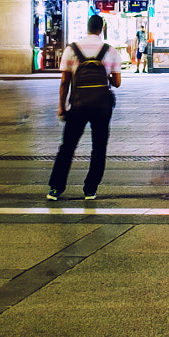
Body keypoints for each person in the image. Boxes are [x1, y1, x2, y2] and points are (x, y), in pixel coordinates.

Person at [47, 13, 123, 202]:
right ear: (102, 29)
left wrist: (62, 106)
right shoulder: (110, 51)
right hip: (101, 106)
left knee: (67, 147)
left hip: (78, 105)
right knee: (99, 148)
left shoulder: (72, 49)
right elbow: (117, 82)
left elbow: (65, 81)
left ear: (87, 28)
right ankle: (90, 189)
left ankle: (55, 188)